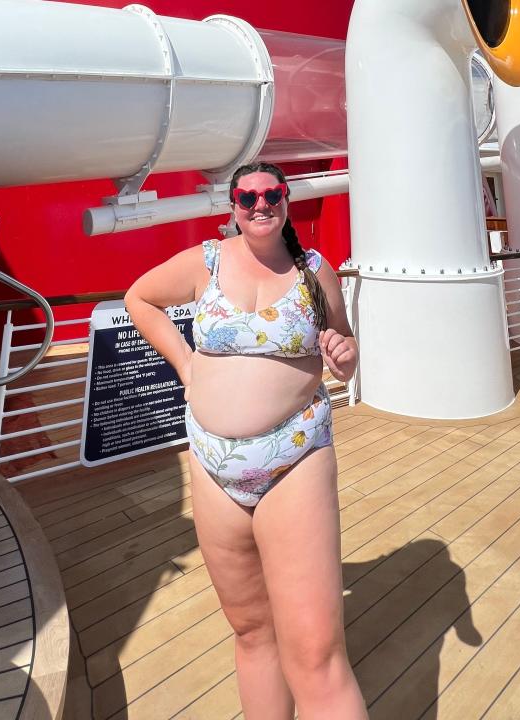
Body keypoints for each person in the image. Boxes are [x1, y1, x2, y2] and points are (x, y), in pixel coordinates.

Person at [124, 162, 368, 719]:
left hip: (294, 459)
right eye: (246, 196)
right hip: (211, 466)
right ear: (232, 205)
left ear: (286, 201)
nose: (259, 205)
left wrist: (345, 358)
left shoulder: (313, 269)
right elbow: (140, 298)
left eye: (271, 195)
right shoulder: (204, 262)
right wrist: (187, 365)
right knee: (253, 633)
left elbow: (344, 348)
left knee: (315, 654)